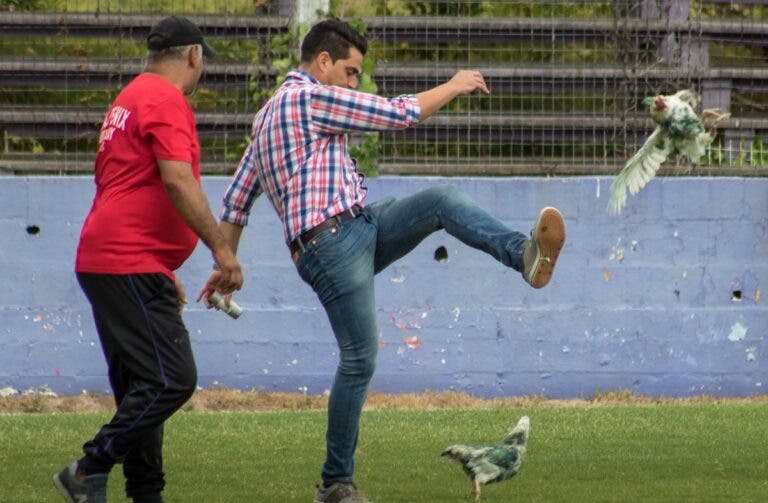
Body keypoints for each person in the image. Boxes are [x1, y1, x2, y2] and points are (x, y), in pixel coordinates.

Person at [203, 19, 565, 503]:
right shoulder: (308, 98)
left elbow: (235, 202)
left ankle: (525, 256)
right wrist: (455, 85)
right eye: (350, 72)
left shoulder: (266, 119)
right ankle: (335, 485)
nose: (354, 82)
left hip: (357, 227)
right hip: (330, 243)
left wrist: (227, 262)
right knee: (359, 359)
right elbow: (397, 114)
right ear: (323, 62)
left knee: (442, 200)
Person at [53, 15, 243, 503]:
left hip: (111, 259)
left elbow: (125, 184)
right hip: (126, 259)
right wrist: (222, 249)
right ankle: (89, 466)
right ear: (193, 56)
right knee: (172, 378)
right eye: (202, 64)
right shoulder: (164, 98)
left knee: (141, 388)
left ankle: (144, 493)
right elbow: (178, 179)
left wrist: (161, 264)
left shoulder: (129, 98)